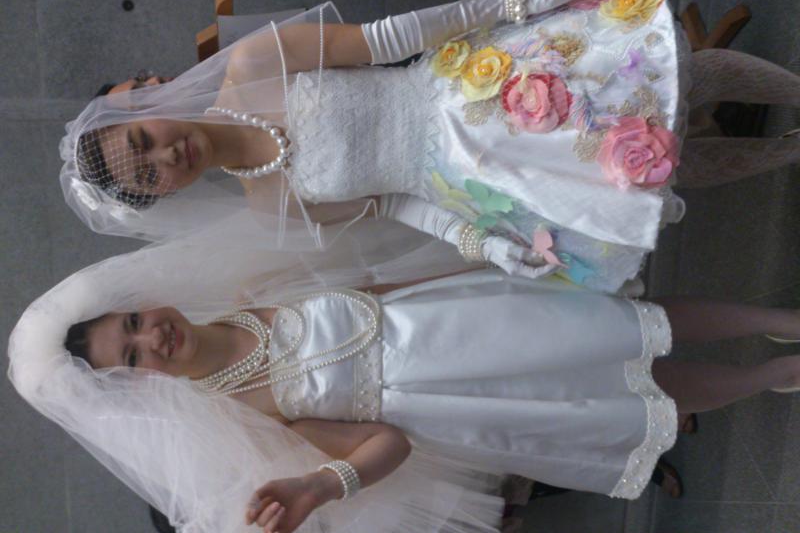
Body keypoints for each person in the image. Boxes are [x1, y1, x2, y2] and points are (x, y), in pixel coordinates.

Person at [59, 0, 800, 295]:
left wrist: (509, 2)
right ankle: (790, 150)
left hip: (470, 88)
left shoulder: (253, 66)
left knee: (677, 81)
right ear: (164, 198)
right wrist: (480, 243)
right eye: (149, 176)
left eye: (144, 140)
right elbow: (396, 204)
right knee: (648, 172)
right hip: (477, 179)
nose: (166, 157)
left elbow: (388, 39)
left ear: (150, 105)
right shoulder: (267, 203)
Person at [10, 221, 800, 533]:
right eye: (135, 356)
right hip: (458, 397)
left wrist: (480, 265)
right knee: (622, 400)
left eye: (133, 322)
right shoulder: (249, 411)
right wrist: (318, 486)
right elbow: (385, 443)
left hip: (466, 313)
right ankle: (774, 371)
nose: (153, 337)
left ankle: (780, 320)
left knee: (632, 321)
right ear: (141, 385)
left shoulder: (252, 289)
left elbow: (375, 282)